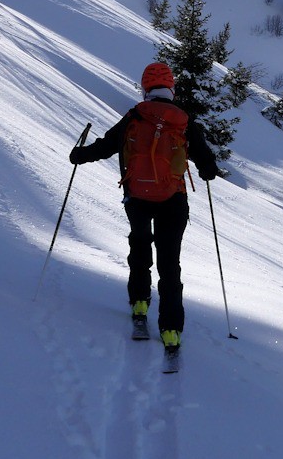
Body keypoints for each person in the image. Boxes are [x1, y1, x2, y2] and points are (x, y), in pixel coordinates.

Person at [70, 62, 219, 355]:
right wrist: (207, 171)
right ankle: (172, 331)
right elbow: (207, 164)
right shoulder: (184, 121)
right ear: (171, 88)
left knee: (140, 246)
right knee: (169, 264)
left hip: (137, 198)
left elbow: (105, 147)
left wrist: (79, 155)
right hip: (173, 201)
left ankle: (139, 304)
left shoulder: (134, 116)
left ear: (145, 88)